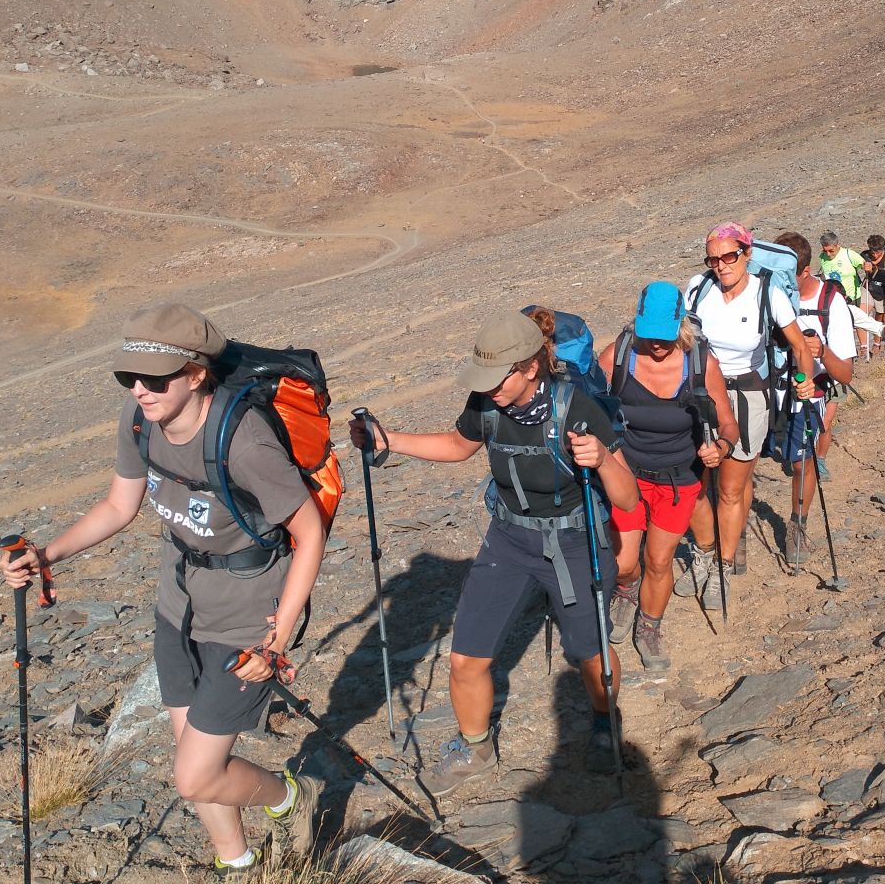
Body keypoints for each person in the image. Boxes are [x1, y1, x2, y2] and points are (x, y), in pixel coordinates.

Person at [0, 304, 326, 878]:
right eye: (130, 377)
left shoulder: (242, 442)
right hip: (178, 605)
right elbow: (119, 506)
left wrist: (278, 635)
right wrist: (45, 555)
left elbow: (307, 529)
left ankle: (285, 797)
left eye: (155, 379)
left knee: (196, 775)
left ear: (197, 374)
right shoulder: (138, 419)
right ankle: (238, 865)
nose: (141, 390)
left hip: (247, 615)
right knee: (191, 760)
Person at [347, 311, 638, 798]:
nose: (488, 389)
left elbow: (627, 499)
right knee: (465, 659)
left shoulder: (579, 408)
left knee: (589, 654)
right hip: (509, 539)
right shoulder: (486, 402)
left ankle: (606, 719)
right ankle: (476, 746)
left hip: (573, 542)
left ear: (529, 368)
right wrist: (388, 440)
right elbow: (457, 446)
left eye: (496, 377)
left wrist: (604, 459)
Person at [598, 282, 739, 671]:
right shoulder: (618, 356)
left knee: (659, 561)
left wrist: (722, 448)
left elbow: (728, 424)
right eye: (649, 335)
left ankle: (650, 624)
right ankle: (626, 591)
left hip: (679, 480)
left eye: (665, 336)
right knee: (625, 563)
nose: (656, 344)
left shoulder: (700, 363)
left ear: (680, 325)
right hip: (627, 477)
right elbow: (592, 411)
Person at [681, 223, 816, 593]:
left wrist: (805, 382)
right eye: (713, 258)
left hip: (746, 395)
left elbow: (800, 347)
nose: (721, 265)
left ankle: (724, 565)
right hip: (700, 396)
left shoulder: (767, 291)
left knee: (729, 488)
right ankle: (709, 552)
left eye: (729, 256)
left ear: (746, 253)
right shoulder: (699, 287)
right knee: (697, 483)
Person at [767, 234, 856, 563]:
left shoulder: (830, 301)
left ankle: (797, 526)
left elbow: (845, 374)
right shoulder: (763, 295)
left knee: (802, 463)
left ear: (803, 272)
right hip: (763, 391)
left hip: (808, 393)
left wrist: (822, 351)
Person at [858, 234, 885, 358]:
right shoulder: (865, 255)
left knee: (880, 317)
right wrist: (865, 266)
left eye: (878, 252)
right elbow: (860, 264)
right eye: (873, 251)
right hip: (869, 287)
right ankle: (863, 347)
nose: (875, 255)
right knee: (862, 314)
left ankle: (876, 344)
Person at [816, 231, 867, 306]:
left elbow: (865, 265)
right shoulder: (822, 256)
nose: (828, 254)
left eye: (831, 251)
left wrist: (867, 266)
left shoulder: (849, 254)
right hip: (832, 298)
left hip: (851, 299)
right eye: (825, 250)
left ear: (837, 245)